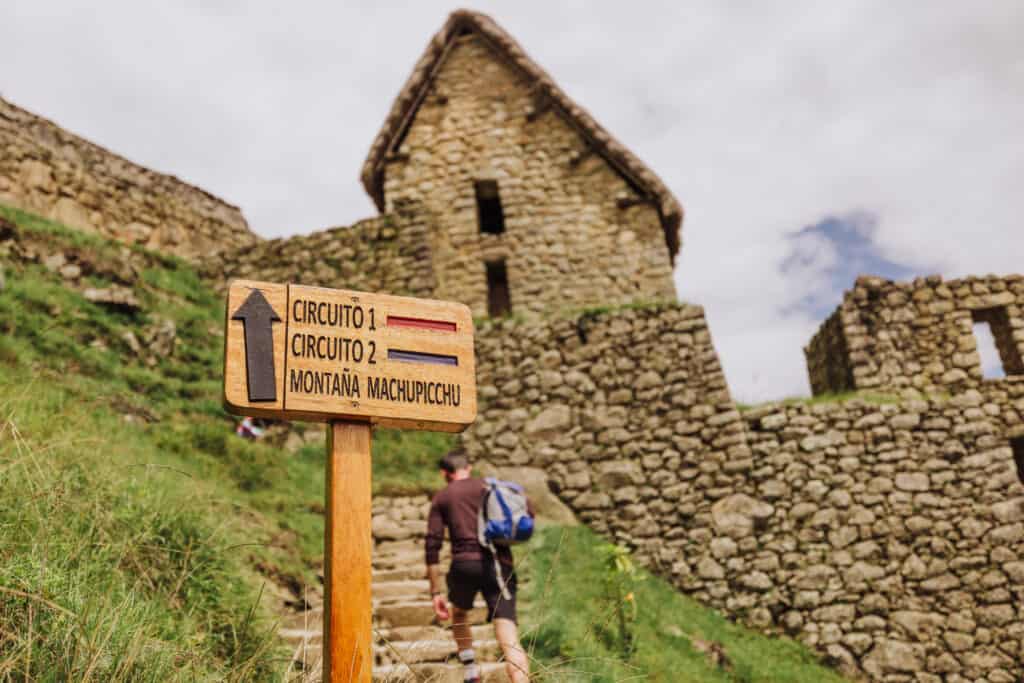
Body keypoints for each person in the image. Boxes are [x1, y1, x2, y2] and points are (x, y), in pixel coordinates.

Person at [425, 450, 531, 683]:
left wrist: (435, 592)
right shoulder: (489, 486)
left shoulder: (443, 497)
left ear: (445, 473)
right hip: (498, 564)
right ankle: (520, 679)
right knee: (506, 627)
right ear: (468, 468)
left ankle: (471, 671)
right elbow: (527, 511)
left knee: (460, 612)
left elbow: (432, 545)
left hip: (464, 565)